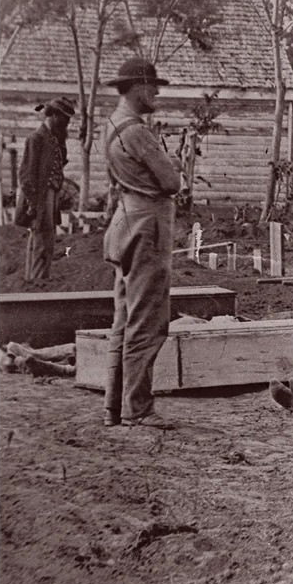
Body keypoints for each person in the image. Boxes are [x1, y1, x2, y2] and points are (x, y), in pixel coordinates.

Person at [101, 58, 182, 429]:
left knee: (124, 318)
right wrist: (173, 161)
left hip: (125, 224)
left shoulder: (112, 124)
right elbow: (171, 182)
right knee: (147, 320)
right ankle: (138, 408)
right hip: (146, 228)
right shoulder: (136, 131)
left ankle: (113, 407)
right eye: (152, 87)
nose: (156, 93)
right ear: (136, 89)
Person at [17, 96, 75, 285]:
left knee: (45, 236)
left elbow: (56, 163)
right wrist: (33, 204)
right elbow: (26, 174)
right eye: (65, 118)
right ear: (54, 115)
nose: (67, 123)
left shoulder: (53, 138)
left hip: (51, 194)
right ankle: (38, 280)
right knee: (42, 236)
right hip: (40, 196)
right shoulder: (37, 138)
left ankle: (36, 278)